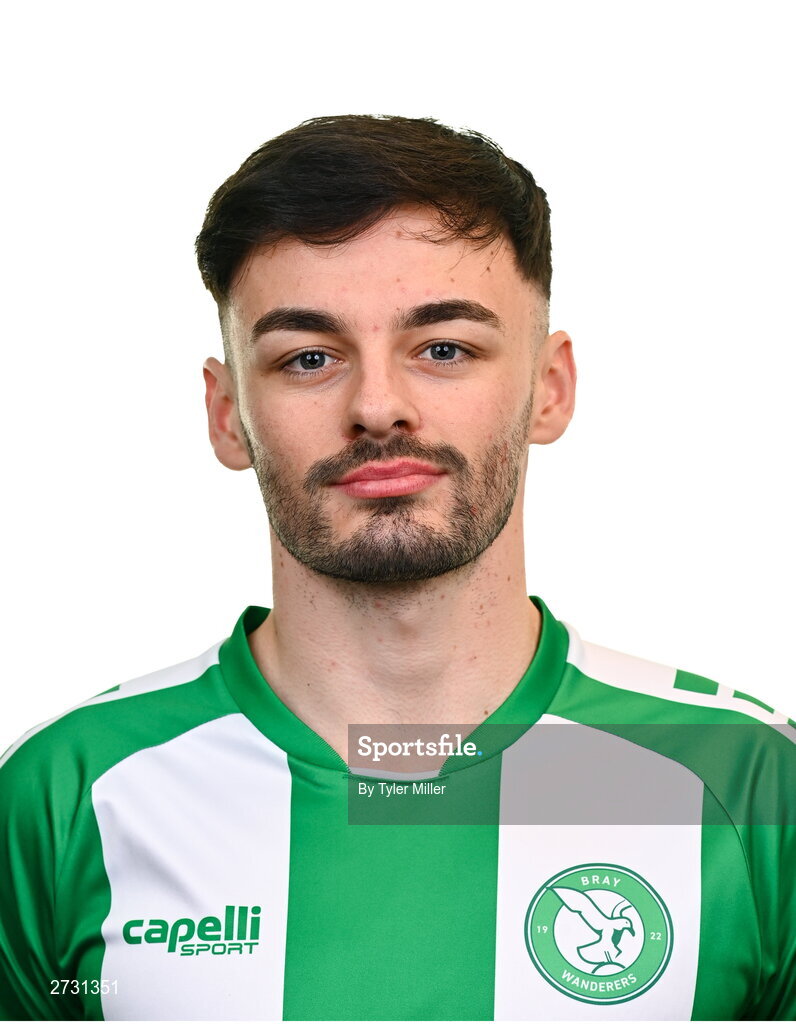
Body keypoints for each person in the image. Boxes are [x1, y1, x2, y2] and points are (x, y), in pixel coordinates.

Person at [0, 115, 793, 1022]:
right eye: (309, 358)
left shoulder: (748, 783)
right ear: (226, 414)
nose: (378, 406)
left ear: (550, 386)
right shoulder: (67, 794)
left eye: (444, 348)